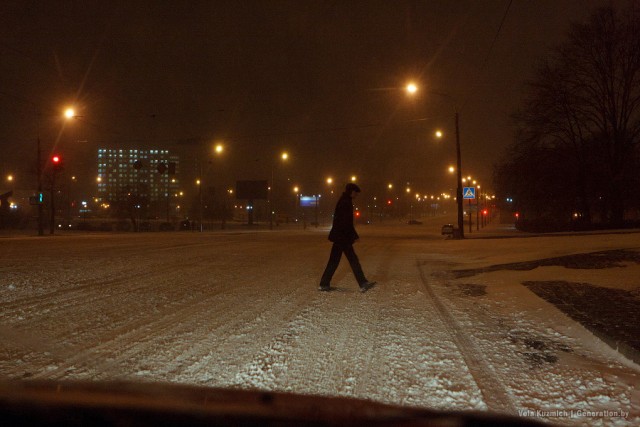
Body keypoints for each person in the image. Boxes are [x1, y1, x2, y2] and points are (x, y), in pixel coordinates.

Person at [319, 183, 376, 292]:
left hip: (339, 236)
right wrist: (353, 235)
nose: (356, 196)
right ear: (352, 192)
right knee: (353, 260)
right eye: (356, 193)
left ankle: (324, 283)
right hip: (343, 237)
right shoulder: (346, 202)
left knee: (334, 261)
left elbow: (343, 221)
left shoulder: (344, 200)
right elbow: (346, 222)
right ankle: (363, 283)